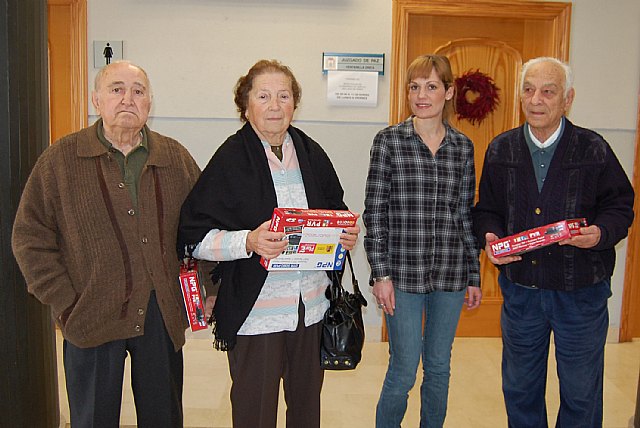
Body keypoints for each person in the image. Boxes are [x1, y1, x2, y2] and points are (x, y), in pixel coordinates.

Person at [12, 60, 201, 427]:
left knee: (164, 416)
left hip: (159, 312)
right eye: (116, 89)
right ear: (96, 99)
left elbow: (202, 228)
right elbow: (29, 237)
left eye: (138, 91)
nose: (127, 99)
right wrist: (65, 302)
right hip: (90, 312)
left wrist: (202, 289)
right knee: (93, 419)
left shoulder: (174, 158)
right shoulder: (60, 160)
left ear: (149, 103)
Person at [177, 59, 360, 428]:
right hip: (256, 313)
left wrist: (346, 234)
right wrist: (249, 241)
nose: (275, 105)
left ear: (295, 104)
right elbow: (193, 239)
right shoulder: (230, 159)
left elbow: (337, 211)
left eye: (284, 96)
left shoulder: (311, 153)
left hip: (310, 311)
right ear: (245, 107)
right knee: (254, 413)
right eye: (264, 96)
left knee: (307, 412)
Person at [472, 57, 635, 428]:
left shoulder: (593, 148)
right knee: (520, 389)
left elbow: (620, 205)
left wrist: (601, 234)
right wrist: (491, 237)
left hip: (581, 294)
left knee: (580, 393)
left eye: (549, 91)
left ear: (568, 98)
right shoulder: (502, 149)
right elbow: (487, 209)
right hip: (521, 294)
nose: (536, 100)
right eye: (529, 90)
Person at [363, 54, 482, 428]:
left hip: (450, 275)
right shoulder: (388, 142)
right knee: (403, 368)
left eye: (431, 86)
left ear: (449, 92)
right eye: (414, 87)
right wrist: (380, 275)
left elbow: (465, 215)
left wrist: (474, 275)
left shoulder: (463, 148)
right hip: (402, 278)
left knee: (439, 366)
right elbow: (375, 214)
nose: (421, 95)